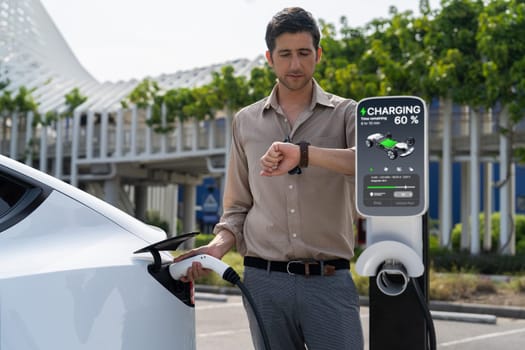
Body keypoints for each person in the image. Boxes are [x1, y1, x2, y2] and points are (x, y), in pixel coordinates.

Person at [176, 7, 364, 350]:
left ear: (319, 55)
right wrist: (217, 247)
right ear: (269, 58)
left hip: (328, 279)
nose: (295, 65)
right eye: (286, 55)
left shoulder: (346, 113)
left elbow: (371, 162)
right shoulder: (246, 121)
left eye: (304, 53)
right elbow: (237, 205)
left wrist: (304, 153)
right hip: (264, 281)